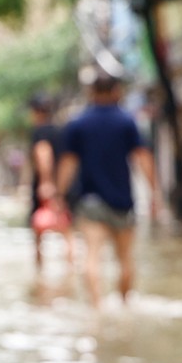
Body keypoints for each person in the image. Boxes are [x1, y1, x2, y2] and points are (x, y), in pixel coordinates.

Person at [55, 73, 163, 304]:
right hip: (123, 201)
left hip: (91, 200)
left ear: (91, 92)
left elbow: (68, 163)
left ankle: (97, 309)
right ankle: (124, 304)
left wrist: (59, 195)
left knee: (92, 257)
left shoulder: (78, 123)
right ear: (117, 91)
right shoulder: (126, 121)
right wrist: (156, 194)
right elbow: (143, 158)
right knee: (125, 259)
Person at [28, 94, 70, 269]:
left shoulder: (41, 131)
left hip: (47, 184)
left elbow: (43, 152)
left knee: (39, 233)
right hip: (63, 184)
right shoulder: (61, 130)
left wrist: (45, 182)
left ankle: (40, 270)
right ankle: (70, 270)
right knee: (67, 228)